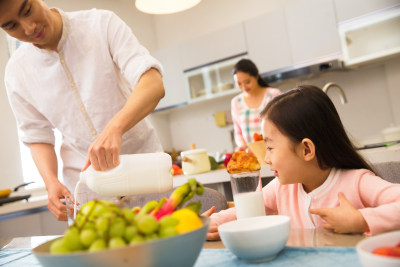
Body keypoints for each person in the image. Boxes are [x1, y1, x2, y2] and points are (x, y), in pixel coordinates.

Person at [0, 0, 165, 220]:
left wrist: (114, 128)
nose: (29, 28)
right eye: (12, 26)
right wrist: (51, 182)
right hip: (88, 192)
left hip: (144, 174)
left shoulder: (101, 23)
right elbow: (37, 136)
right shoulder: (16, 73)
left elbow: (153, 84)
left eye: (28, 10)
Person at [205, 85, 400, 240]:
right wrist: (203, 225)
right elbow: (242, 213)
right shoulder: (281, 188)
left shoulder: (357, 182)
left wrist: (361, 220)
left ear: (306, 149)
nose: (266, 159)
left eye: (271, 148)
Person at [231, 59, 280, 151]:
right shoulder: (236, 102)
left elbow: (282, 125)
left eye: (247, 82)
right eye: (239, 83)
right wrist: (242, 145)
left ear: (257, 76)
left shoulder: (273, 94)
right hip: (251, 153)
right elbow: (238, 132)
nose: (244, 87)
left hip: (274, 150)